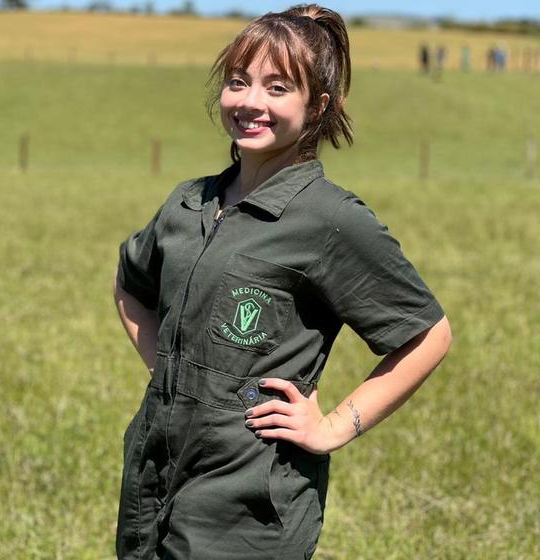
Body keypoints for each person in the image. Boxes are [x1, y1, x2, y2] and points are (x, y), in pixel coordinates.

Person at [113, 4, 452, 559]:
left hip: (249, 504)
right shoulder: (187, 201)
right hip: (152, 480)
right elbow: (131, 284)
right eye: (238, 82)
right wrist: (164, 369)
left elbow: (427, 335)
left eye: (277, 88)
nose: (250, 102)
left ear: (316, 107)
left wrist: (336, 426)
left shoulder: (329, 220)